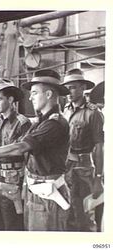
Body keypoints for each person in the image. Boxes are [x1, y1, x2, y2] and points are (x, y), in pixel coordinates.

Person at [0, 69, 71, 231]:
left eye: (34, 93)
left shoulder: (54, 124)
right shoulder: (41, 121)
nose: (30, 97)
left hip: (47, 193)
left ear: (48, 94)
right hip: (35, 190)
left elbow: (20, 147)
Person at [0, 78, 31, 230]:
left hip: (15, 182)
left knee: (14, 225)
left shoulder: (22, 123)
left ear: (10, 99)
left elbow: (27, 155)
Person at [61, 68, 104, 231]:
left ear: (82, 87)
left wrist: (98, 178)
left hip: (85, 169)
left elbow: (100, 147)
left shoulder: (93, 113)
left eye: (72, 87)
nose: (68, 92)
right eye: (66, 88)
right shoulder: (66, 110)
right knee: (69, 213)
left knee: (86, 216)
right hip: (67, 168)